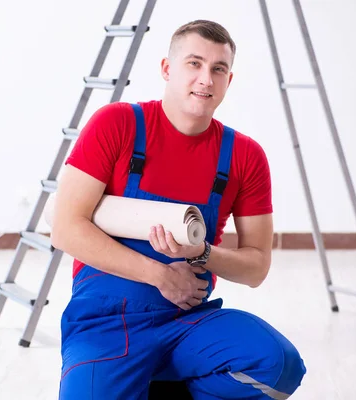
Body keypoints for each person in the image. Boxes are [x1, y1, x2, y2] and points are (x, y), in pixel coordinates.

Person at [50, 19, 307, 400]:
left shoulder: (243, 156)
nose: (206, 78)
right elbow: (65, 228)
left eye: (218, 69)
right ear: (167, 69)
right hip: (107, 323)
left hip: (187, 322)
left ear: (228, 80)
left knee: (277, 362)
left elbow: (256, 267)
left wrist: (201, 252)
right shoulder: (117, 124)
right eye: (194, 63)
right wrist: (159, 275)